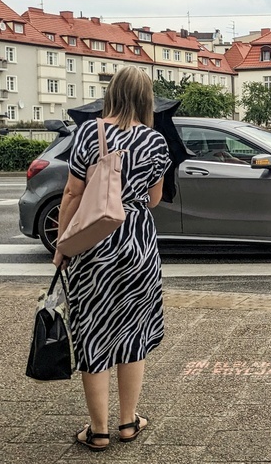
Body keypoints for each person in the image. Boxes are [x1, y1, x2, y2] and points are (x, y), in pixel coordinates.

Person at [53, 66, 171, 451]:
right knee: (133, 332)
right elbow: (154, 199)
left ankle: (98, 430)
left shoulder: (89, 131)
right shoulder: (156, 140)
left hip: (94, 245)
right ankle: (128, 423)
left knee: (94, 332)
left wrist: (62, 245)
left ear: (112, 94)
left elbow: (71, 193)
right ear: (145, 99)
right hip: (137, 244)